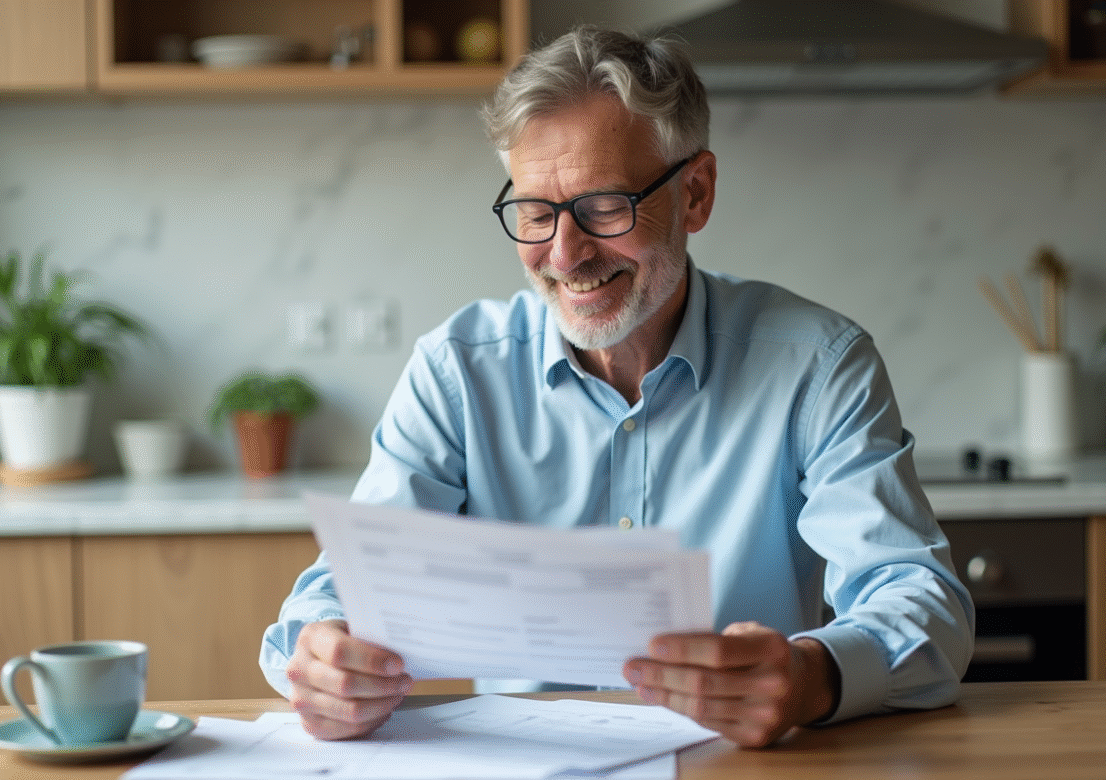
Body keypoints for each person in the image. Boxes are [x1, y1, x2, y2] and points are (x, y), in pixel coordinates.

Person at [260, 25, 974, 749]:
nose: (565, 255)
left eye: (605, 206)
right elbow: (339, 592)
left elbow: (923, 607)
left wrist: (810, 678)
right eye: (536, 212)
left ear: (694, 195)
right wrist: (322, 652)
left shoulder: (817, 365)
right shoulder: (456, 371)